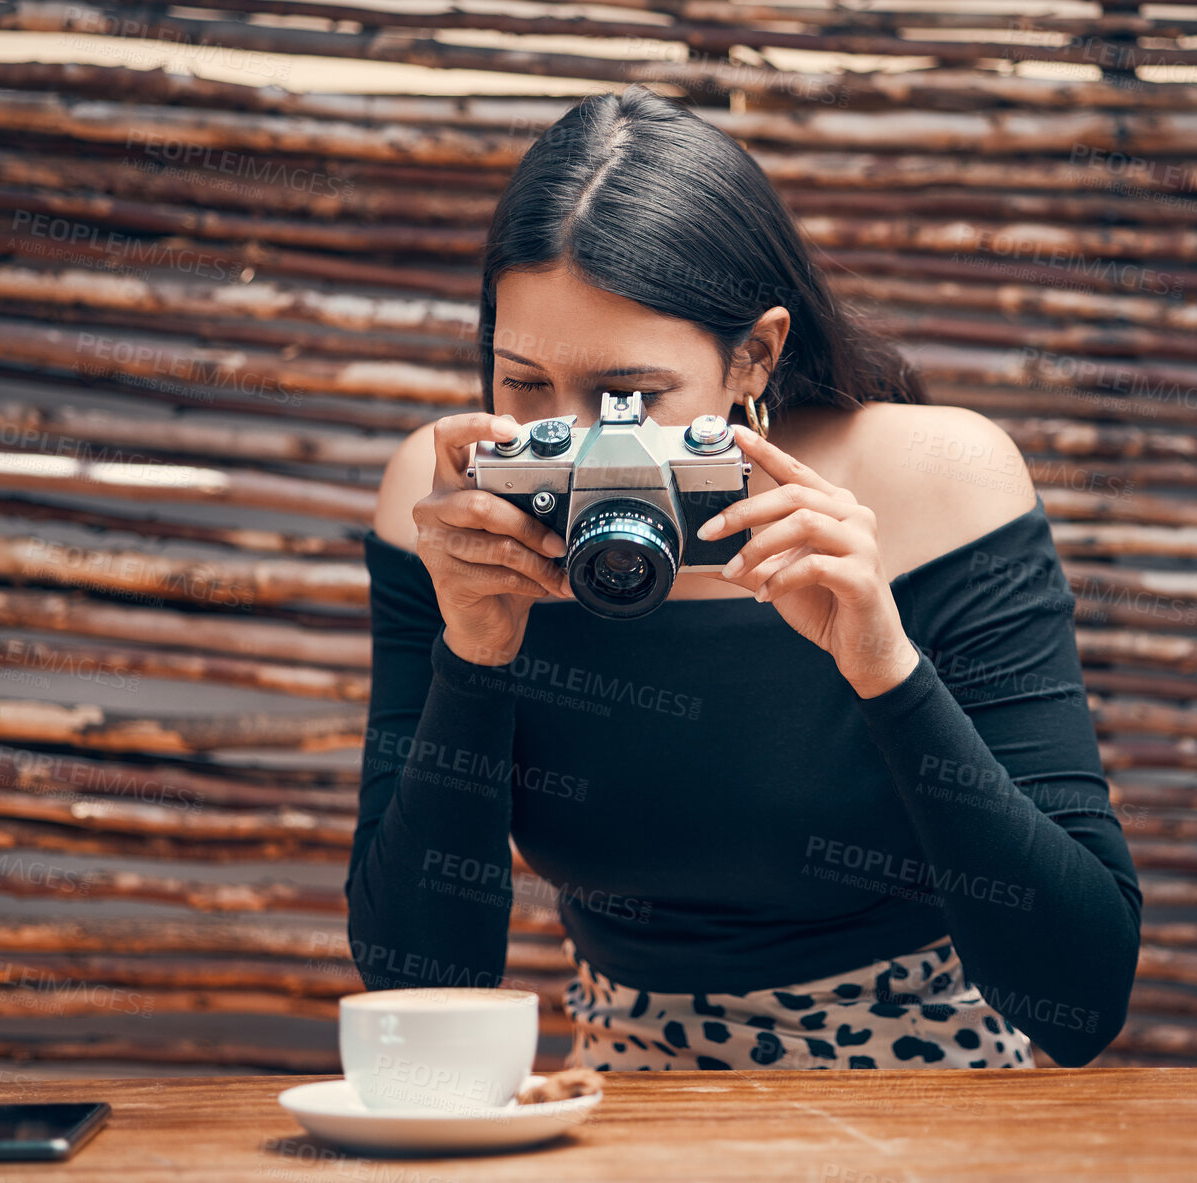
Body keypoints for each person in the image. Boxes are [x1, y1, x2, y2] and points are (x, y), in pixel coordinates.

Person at [345, 84, 1141, 1071]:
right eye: (525, 387)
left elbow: (1079, 1000)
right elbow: (423, 995)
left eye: (627, 395)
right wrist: (473, 654)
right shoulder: (454, 505)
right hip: (620, 1114)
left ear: (753, 357)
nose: (590, 447)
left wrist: (886, 665)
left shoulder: (939, 480)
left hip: (937, 1108)